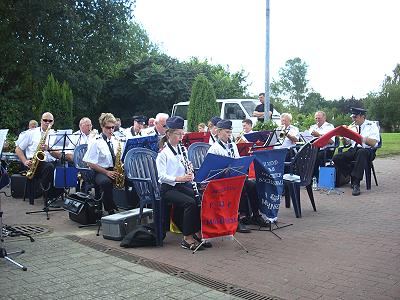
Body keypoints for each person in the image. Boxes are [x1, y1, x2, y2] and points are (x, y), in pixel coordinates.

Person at [156, 116, 211, 250]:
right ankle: (187, 238)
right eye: (178, 134)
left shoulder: (182, 150)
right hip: (168, 188)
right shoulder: (163, 154)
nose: (181, 137)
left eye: (182, 134)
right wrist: (179, 178)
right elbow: (161, 176)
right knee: (189, 202)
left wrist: (189, 169)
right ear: (169, 134)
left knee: (200, 198)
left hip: (181, 185)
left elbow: (183, 168)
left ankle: (197, 231)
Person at [207, 119, 268, 232]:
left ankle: (256, 215)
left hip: (234, 177)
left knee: (253, 186)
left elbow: (237, 159)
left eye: (230, 132)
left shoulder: (233, 145)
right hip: (222, 180)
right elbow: (211, 170)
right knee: (241, 188)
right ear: (219, 132)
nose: (229, 135)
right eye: (227, 132)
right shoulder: (214, 148)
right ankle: (237, 219)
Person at [15, 112, 63, 204]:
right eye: (45, 120)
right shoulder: (31, 133)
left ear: (53, 122)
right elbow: (18, 149)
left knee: (61, 167)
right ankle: (47, 196)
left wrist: (49, 149)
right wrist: (25, 161)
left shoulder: (55, 135)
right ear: (41, 120)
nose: (47, 122)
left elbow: (59, 155)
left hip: (50, 161)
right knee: (49, 167)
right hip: (35, 163)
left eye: (50, 121)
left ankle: (56, 195)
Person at [332, 107, 380, 196]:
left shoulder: (371, 125)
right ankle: (353, 175)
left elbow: (374, 143)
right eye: (352, 117)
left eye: (355, 117)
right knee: (336, 158)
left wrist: (361, 138)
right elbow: (347, 143)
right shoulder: (352, 126)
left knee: (361, 152)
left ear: (362, 116)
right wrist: (343, 136)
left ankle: (356, 184)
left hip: (367, 150)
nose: (353, 119)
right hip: (354, 149)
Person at [83, 113, 120, 214]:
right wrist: (106, 172)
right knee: (105, 183)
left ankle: (133, 208)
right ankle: (110, 210)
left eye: (113, 127)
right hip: (99, 171)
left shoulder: (115, 140)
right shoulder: (95, 141)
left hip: (114, 169)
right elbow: (89, 162)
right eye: (108, 128)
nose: (111, 130)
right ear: (102, 127)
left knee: (131, 179)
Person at [309, 111, 335, 180]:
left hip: (326, 150)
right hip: (313, 149)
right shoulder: (312, 127)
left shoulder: (329, 127)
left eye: (319, 118)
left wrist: (319, 135)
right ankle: (308, 177)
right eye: (316, 118)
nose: (317, 120)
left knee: (317, 156)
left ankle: (318, 178)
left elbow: (331, 141)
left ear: (324, 118)